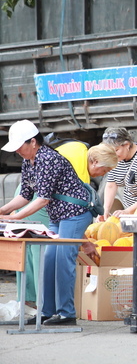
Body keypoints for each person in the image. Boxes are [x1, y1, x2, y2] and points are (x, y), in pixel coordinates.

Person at [0, 120, 94, 326]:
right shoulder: (28, 161)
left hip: (75, 213)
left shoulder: (49, 159)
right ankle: (47, 310)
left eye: (20, 146)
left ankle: (67, 313)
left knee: (63, 261)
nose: (18, 151)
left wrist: (15, 217)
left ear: (33, 142)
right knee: (48, 260)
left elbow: (43, 199)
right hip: (58, 217)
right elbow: (25, 195)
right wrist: (4, 210)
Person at [12, 141, 118, 309]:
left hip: (60, 209)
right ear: (96, 162)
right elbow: (69, 208)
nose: (100, 175)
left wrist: (13, 213)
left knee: (54, 257)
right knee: (49, 258)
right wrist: (86, 242)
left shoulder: (78, 148)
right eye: (103, 171)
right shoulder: (79, 172)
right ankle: (46, 309)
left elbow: (73, 207)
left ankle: (57, 310)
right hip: (50, 208)